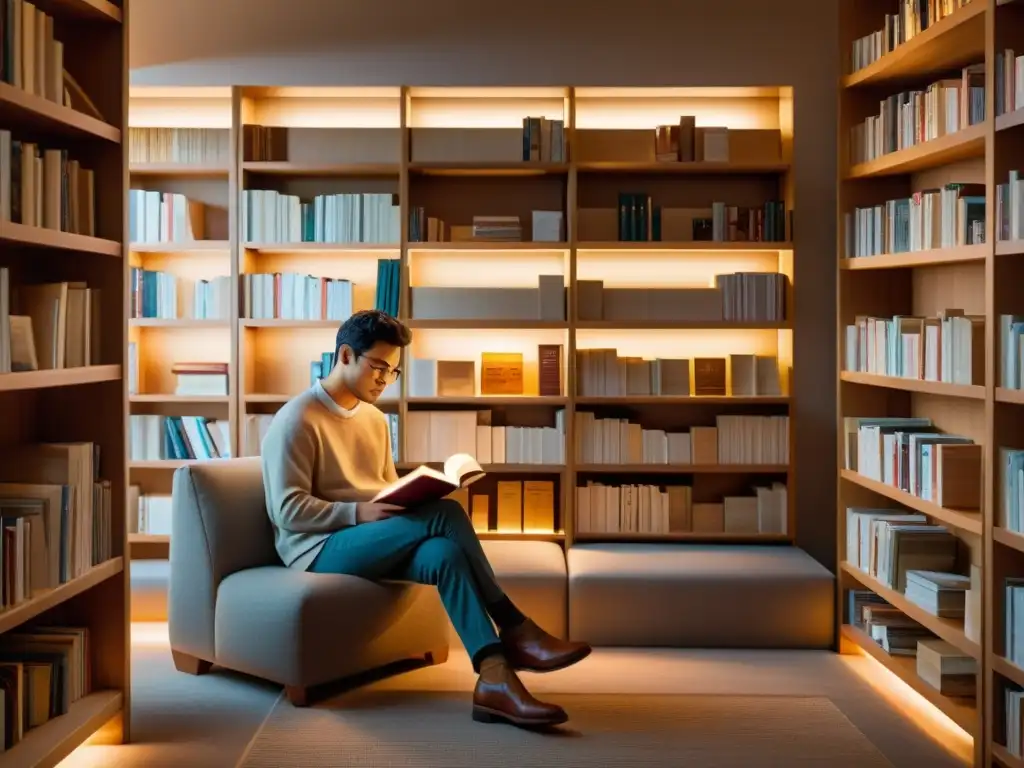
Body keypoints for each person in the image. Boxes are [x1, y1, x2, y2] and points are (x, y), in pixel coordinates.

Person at [261, 309, 591, 728]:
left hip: (370, 537)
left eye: (393, 372)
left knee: (444, 553)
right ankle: (515, 627)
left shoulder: (375, 419)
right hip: (316, 548)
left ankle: (495, 679)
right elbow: (286, 511)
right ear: (345, 355)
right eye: (378, 367)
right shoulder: (297, 419)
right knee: (448, 515)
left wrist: (407, 494)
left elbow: (381, 485)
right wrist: (357, 512)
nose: (384, 379)